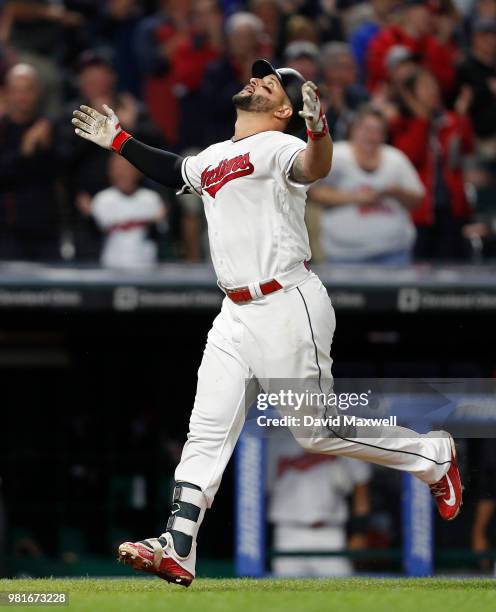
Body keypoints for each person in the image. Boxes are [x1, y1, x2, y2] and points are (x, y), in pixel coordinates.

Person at [72, 57, 463, 588]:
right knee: (206, 428)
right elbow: (174, 171)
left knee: (315, 434)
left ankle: (431, 453)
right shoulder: (214, 155)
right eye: (260, 75)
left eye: (272, 82)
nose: (257, 79)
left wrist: (318, 127)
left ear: (283, 108)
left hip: (286, 300)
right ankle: (178, 544)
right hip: (234, 310)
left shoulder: (280, 145)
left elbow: (315, 167)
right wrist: (120, 141)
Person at [309, 106, 423, 265]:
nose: (372, 135)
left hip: (393, 253)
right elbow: (312, 193)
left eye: (378, 130)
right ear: (354, 130)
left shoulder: (395, 159)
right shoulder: (336, 155)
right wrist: (356, 197)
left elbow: (418, 199)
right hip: (343, 255)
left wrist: (397, 192)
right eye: (367, 129)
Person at [390, 68, 474, 260]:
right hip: (419, 213)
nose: (433, 90)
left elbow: (466, 148)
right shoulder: (402, 124)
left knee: (455, 267)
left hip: (452, 208)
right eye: (426, 86)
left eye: (434, 85)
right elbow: (411, 157)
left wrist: (462, 117)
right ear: (411, 95)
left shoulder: (451, 121)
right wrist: (421, 119)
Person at [268, 433, 371, 577]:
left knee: (341, 592)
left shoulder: (339, 436)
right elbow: (259, 487)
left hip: (329, 531)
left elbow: (361, 482)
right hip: (288, 531)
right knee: (285, 593)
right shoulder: (275, 437)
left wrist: (359, 530)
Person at [0, 63, 59, 260]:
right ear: (6, 93)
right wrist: (24, 151)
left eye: (28, 90)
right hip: (7, 235)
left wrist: (48, 147)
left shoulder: (50, 129)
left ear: (38, 93)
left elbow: (64, 171)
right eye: (16, 91)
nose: (22, 97)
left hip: (46, 235)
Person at [77, 155, 166, 269]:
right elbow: (93, 237)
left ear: (138, 171)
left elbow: (161, 235)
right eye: (117, 169)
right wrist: (90, 217)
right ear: (109, 172)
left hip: (147, 268)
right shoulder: (102, 200)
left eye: (126, 169)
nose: (121, 174)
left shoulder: (151, 199)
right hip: (111, 267)